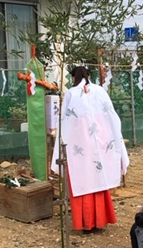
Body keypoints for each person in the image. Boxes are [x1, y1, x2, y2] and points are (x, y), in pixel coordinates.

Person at [51, 66, 129, 232]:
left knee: (83, 180)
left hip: (79, 144)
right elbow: (111, 116)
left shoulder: (71, 94)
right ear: (89, 75)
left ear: (73, 78)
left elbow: (66, 122)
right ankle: (100, 220)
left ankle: (85, 223)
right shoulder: (100, 91)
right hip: (100, 143)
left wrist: (62, 142)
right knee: (99, 180)